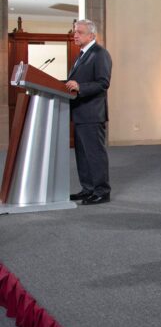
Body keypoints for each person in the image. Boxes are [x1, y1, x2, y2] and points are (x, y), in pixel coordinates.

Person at [65, 19, 113, 205]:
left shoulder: (100, 54)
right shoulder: (82, 55)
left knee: (94, 154)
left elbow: (103, 83)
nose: (75, 35)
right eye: (75, 32)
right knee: (82, 155)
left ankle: (102, 191)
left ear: (91, 35)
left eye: (79, 32)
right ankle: (88, 189)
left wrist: (80, 87)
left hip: (92, 114)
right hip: (79, 114)